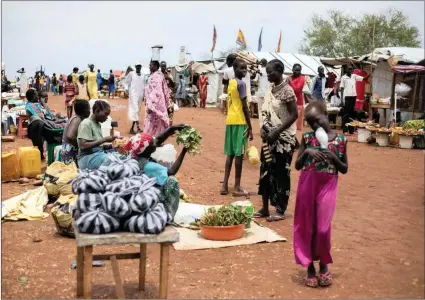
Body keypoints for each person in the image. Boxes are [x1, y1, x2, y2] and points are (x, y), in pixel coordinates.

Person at [293, 102, 348, 288]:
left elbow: (344, 168)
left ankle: (323, 262)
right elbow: (297, 165)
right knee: (307, 225)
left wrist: (334, 158)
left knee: (323, 228)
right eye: (311, 123)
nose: (315, 126)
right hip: (308, 183)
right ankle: (309, 265)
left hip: (328, 185)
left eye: (317, 120)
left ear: (326, 114)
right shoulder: (308, 138)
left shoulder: (340, 140)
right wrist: (308, 152)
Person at [253, 59, 298, 221]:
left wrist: (277, 131)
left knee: (281, 173)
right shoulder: (270, 89)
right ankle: (265, 208)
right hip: (268, 139)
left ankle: (280, 210)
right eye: (267, 72)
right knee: (265, 170)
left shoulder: (287, 91)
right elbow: (265, 112)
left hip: (283, 140)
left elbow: (294, 115)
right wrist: (265, 129)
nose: (268, 75)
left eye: (270, 72)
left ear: (279, 71)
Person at [124, 124, 189, 218]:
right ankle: (167, 214)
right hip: (145, 199)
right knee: (172, 181)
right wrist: (184, 150)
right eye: (153, 143)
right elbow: (171, 171)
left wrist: (172, 128)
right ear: (148, 150)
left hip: (136, 197)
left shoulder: (134, 154)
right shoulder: (149, 166)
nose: (156, 142)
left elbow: (157, 140)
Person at [220, 59, 253, 197]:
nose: (244, 71)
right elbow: (245, 107)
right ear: (235, 69)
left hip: (230, 121)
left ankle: (224, 185)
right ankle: (237, 186)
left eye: (246, 69)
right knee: (238, 154)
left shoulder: (231, 83)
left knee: (230, 154)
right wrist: (250, 126)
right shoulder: (242, 84)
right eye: (242, 68)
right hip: (240, 121)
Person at [77, 100, 121, 170]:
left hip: (97, 155)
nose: (107, 117)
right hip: (86, 158)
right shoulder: (86, 123)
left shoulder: (97, 124)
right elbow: (82, 146)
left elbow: (98, 147)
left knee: (120, 157)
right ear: (97, 111)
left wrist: (113, 146)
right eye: (106, 114)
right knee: (110, 160)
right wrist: (104, 139)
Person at [144, 60, 171, 136]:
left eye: (151, 65)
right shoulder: (151, 76)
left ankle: (158, 138)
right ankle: (150, 138)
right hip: (151, 104)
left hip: (159, 104)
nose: (149, 67)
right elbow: (148, 89)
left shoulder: (160, 76)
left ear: (156, 66)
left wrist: (167, 104)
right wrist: (147, 100)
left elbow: (164, 90)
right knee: (151, 121)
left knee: (159, 121)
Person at [340, 65, 369, 135]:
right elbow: (341, 88)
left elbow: (364, 79)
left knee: (352, 114)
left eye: (351, 70)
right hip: (347, 97)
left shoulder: (354, 76)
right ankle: (345, 130)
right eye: (349, 69)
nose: (350, 71)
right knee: (346, 114)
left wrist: (369, 74)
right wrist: (341, 99)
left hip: (353, 97)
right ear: (346, 70)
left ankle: (351, 130)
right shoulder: (343, 78)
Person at [61, 100, 91, 165]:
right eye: (89, 109)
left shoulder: (78, 119)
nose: (90, 111)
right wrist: (80, 146)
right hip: (69, 151)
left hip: (70, 150)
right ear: (85, 110)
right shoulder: (77, 119)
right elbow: (70, 136)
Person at [125, 62, 146, 134]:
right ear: (135, 66)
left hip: (140, 95)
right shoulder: (131, 74)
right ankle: (138, 127)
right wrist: (126, 90)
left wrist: (144, 94)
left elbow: (144, 85)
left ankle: (131, 128)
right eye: (137, 66)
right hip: (133, 95)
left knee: (136, 111)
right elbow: (126, 82)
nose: (138, 67)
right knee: (135, 110)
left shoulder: (143, 75)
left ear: (141, 67)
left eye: (139, 66)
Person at [287, 64, 306, 132]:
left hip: (298, 102)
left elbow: (297, 89)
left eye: (299, 70)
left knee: (295, 126)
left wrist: (290, 82)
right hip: (289, 101)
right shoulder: (289, 77)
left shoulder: (302, 78)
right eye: (296, 70)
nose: (297, 72)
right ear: (292, 70)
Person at [255, 59, 269, 128]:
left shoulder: (259, 70)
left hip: (260, 93)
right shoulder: (269, 71)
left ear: (261, 64)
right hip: (268, 93)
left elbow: (255, 80)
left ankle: (261, 127)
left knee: (260, 111)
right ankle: (267, 126)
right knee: (267, 111)